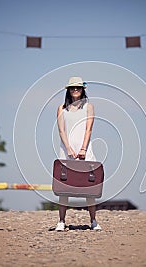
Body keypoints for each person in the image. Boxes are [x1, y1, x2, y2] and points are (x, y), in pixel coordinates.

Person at [55, 76, 101, 231]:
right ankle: (61, 221)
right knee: (64, 186)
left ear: (83, 90)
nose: (76, 90)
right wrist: (68, 147)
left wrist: (83, 148)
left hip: (85, 149)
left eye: (78, 88)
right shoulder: (62, 108)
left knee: (89, 186)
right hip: (66, 150)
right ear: (68, 90)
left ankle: (93, 220)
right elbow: (61, 130)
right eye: (73, 88)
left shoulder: (88, 107)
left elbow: (89, 128)